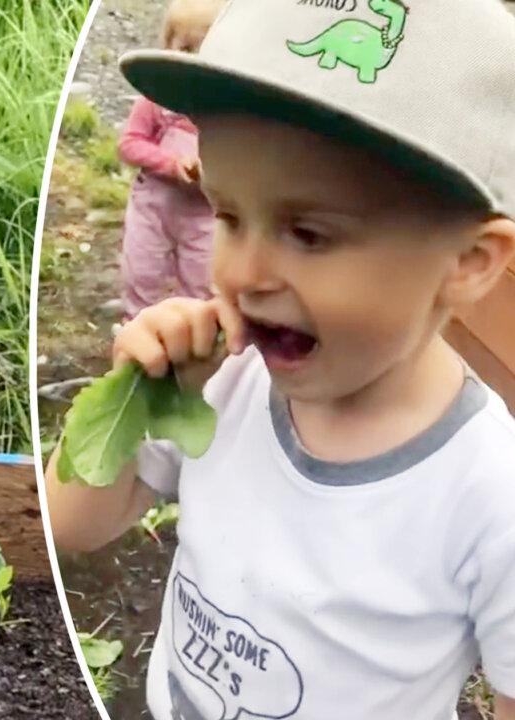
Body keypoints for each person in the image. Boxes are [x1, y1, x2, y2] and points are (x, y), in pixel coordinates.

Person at [48, 0, 515, 717]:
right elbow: (71, 527)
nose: (245, 273)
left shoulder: (488, 492)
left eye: (308, 232)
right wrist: (136, 400)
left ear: (471, 264)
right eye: (228, 214)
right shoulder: (222, 382)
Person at [118, 0, 224, 319]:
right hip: (153, 206)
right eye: (186, 49)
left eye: (207, 49)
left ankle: (198, 341)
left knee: (202, 280)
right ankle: (136, 327)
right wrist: (171, 164)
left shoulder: (226, 113)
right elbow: (129, 143)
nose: (195, 60)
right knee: (141, 269)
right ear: (167, 48)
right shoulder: (155, 101)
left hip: (204, 214)